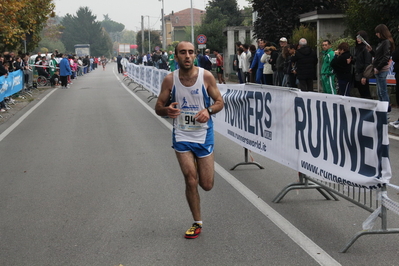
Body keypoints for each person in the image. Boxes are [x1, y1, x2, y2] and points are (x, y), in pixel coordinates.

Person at [154, 41, 224, 239]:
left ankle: (201, 166)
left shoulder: (206, 76)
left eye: (190, 52)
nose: (187, 56)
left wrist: (208, 111)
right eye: (183, 52)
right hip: (182, 135)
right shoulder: (170, 80)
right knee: (190, 179)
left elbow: (220, 102)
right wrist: (166, 110)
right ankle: (197, 222)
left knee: (206, 184)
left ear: (195, 55)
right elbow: (158, 107)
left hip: (203, 135)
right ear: (176, 56)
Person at [367, 24, 395, 113]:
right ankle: (382, 111)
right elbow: (378, 56)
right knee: (379, 92)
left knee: (383, 91)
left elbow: (386, 57)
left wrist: (378, 67)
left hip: (382, 69)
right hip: (378, 69)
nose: (376, 34)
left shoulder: (386, 42)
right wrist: (371, 51)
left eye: (377, 33)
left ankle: (385, 111)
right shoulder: (382, 43)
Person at [353, 31, 372, 99]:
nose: (358, 39)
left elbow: (367, 62)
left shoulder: (366, 48)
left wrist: (364, 76)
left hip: (363, 72)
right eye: (357, 37)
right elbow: (356, 60)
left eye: (359, 38)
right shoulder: (356, 48)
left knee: (365, 91)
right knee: (361, 91)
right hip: (357, 72)